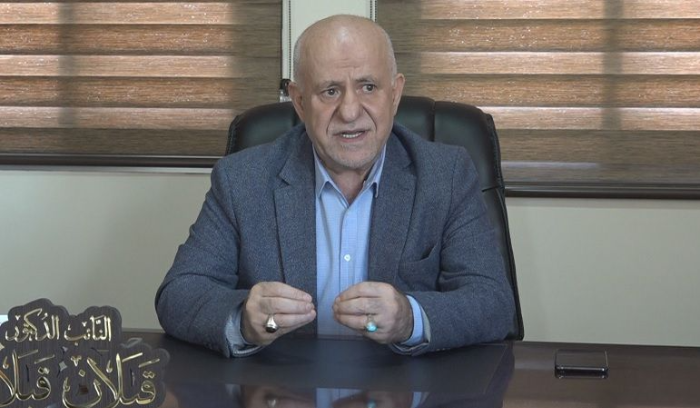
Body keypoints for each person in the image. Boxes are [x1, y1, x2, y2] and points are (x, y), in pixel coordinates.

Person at [155, 15, 515, 357]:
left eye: (368, 87)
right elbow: (179, 295)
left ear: (394, 93)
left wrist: (410, 318)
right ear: (299, 102)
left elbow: (493, 303)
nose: (350, 112)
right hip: (282, 385)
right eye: (330, 91)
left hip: (405, 384)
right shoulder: (242, 180)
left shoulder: (445, 176)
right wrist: (244, 320)